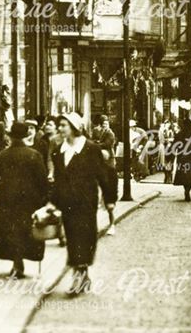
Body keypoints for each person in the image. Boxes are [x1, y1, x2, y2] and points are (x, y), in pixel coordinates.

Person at [51, 112, 117, 296]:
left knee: (85, 236)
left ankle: (79, 276)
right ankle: (82, 273)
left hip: (86, 202)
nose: (60, 128)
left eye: (63, 125)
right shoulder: (58, 151)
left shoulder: (90, 149)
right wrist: (52, 202)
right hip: (67, 203)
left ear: (73, 127)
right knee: (72, 237)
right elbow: (58, 180)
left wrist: (109, 199)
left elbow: (104, 175)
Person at [0, 122, 48, 279]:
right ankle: (20, 261)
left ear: (10, 136)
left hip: (7, 198)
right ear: (26, 136)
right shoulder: (34, 155)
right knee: (26, 230)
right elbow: (42, 180)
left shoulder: (2, 155)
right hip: (30, 199)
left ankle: (16, 263)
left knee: (10, 230)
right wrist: (44, 200)